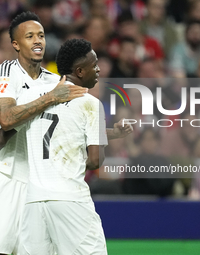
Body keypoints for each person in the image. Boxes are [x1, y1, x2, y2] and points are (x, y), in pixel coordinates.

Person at [0, 11, 88, 255]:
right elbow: (6, 119)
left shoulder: (53, 80)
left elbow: (75, 124)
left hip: (39, 181)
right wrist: (51, 98)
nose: (38, 41)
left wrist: (107, 132)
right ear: (16, 44)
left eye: (41, 35)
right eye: (29, 36)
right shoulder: (5, 72)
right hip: (6, 174)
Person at [16, 38, 122, 254]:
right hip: (70, 198)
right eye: (94, 65)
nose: (99, 69)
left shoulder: (31, 97)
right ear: (80, 71)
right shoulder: (90, 103)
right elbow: (95, 161)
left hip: (33, 200)